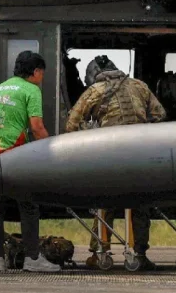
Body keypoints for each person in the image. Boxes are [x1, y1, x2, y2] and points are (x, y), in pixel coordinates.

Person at [66, 55, 166, 271]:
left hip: (109, 157)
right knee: (140, 204)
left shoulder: (94, 91)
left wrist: (91, 133)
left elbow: (71, 125)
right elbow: (159, 114)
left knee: (105, 204)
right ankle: (140, 254)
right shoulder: (139, 86)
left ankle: (99, 253)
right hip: (139, 156)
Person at [0, 51, 60, 273]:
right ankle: (32, 258)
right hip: (13, 154)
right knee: (28, 205)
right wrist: (53, 150)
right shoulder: (31, 89)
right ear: (35, 71)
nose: (42, 78)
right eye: (42, 73)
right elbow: (36, 127)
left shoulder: (0, 88)